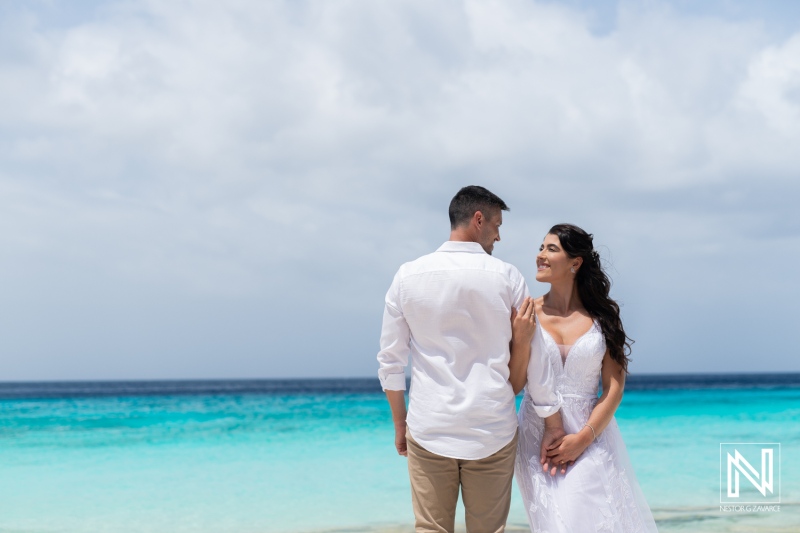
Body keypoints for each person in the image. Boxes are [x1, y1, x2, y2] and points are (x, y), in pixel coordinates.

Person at [377, 186, 565, 533]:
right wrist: (553, 424)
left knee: (431, 529)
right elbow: (536, 356)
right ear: (478, 220)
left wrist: (400, 424)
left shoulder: (407, 276)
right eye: (496, 225)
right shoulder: (507, 277)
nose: (498, 235)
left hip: (430, 426)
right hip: (491, 428)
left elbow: (390, 362)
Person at [510, 223, 659, 533]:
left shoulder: (603, 317)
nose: (540, 255)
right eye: (541, 247)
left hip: (592, 432)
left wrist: (583, 438)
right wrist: (521, 340)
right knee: (556, 524)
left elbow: (614, 388)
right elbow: (515, 383)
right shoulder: (526, 312)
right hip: (538, 438)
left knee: (596, 519)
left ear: (575, 263)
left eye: (551, 249)